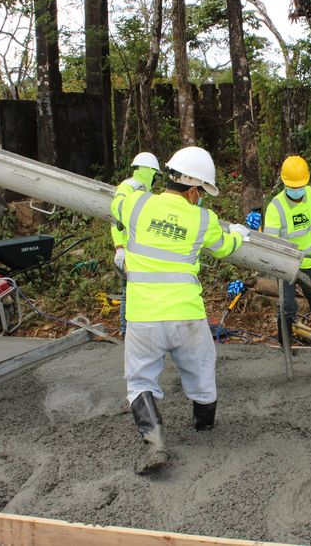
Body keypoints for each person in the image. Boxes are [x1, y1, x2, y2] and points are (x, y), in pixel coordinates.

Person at [111, 146, 250, 474]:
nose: (200, 198)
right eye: (200, 192)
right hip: (186, 315)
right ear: (192, 191)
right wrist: (238, 235)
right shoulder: (202, 219)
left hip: (143, 317)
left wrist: (137, 179)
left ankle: (155, 441)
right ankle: (205, 427)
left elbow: (118, 200)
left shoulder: (137, 204)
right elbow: (224, 247)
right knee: (202, 369)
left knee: (139, 381)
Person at [263, 155, 311, 347]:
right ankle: (285, 350)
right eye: (293, 186)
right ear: (284, 182)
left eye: (300, 186)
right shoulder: (276, 207)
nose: (297, 190)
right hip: (286, 266)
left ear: (307, 181)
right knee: (287, 308)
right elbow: (271, 243)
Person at [110, 152, 161, 336]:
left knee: (137, 291)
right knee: (129, 292)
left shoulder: (143, 192)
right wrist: (119, 248)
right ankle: (126, 330)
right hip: (128, 252)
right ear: (150, 172)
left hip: (138, 252)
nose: (156, 180)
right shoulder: (128, 187)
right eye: (155, 176)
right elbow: (116, 219)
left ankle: (136, 329)